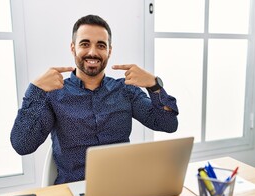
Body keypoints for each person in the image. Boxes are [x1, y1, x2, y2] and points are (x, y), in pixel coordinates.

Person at [11, 15, 178, 184]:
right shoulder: (53, 95)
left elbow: (168, 124)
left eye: (101, 45)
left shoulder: (126, 91)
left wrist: (154, 86)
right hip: (73, 189)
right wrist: (35, 90)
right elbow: (23, 145)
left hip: (121, 186)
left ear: (109, 51)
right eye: (85, 44)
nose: (92, 52)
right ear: (73, 48)